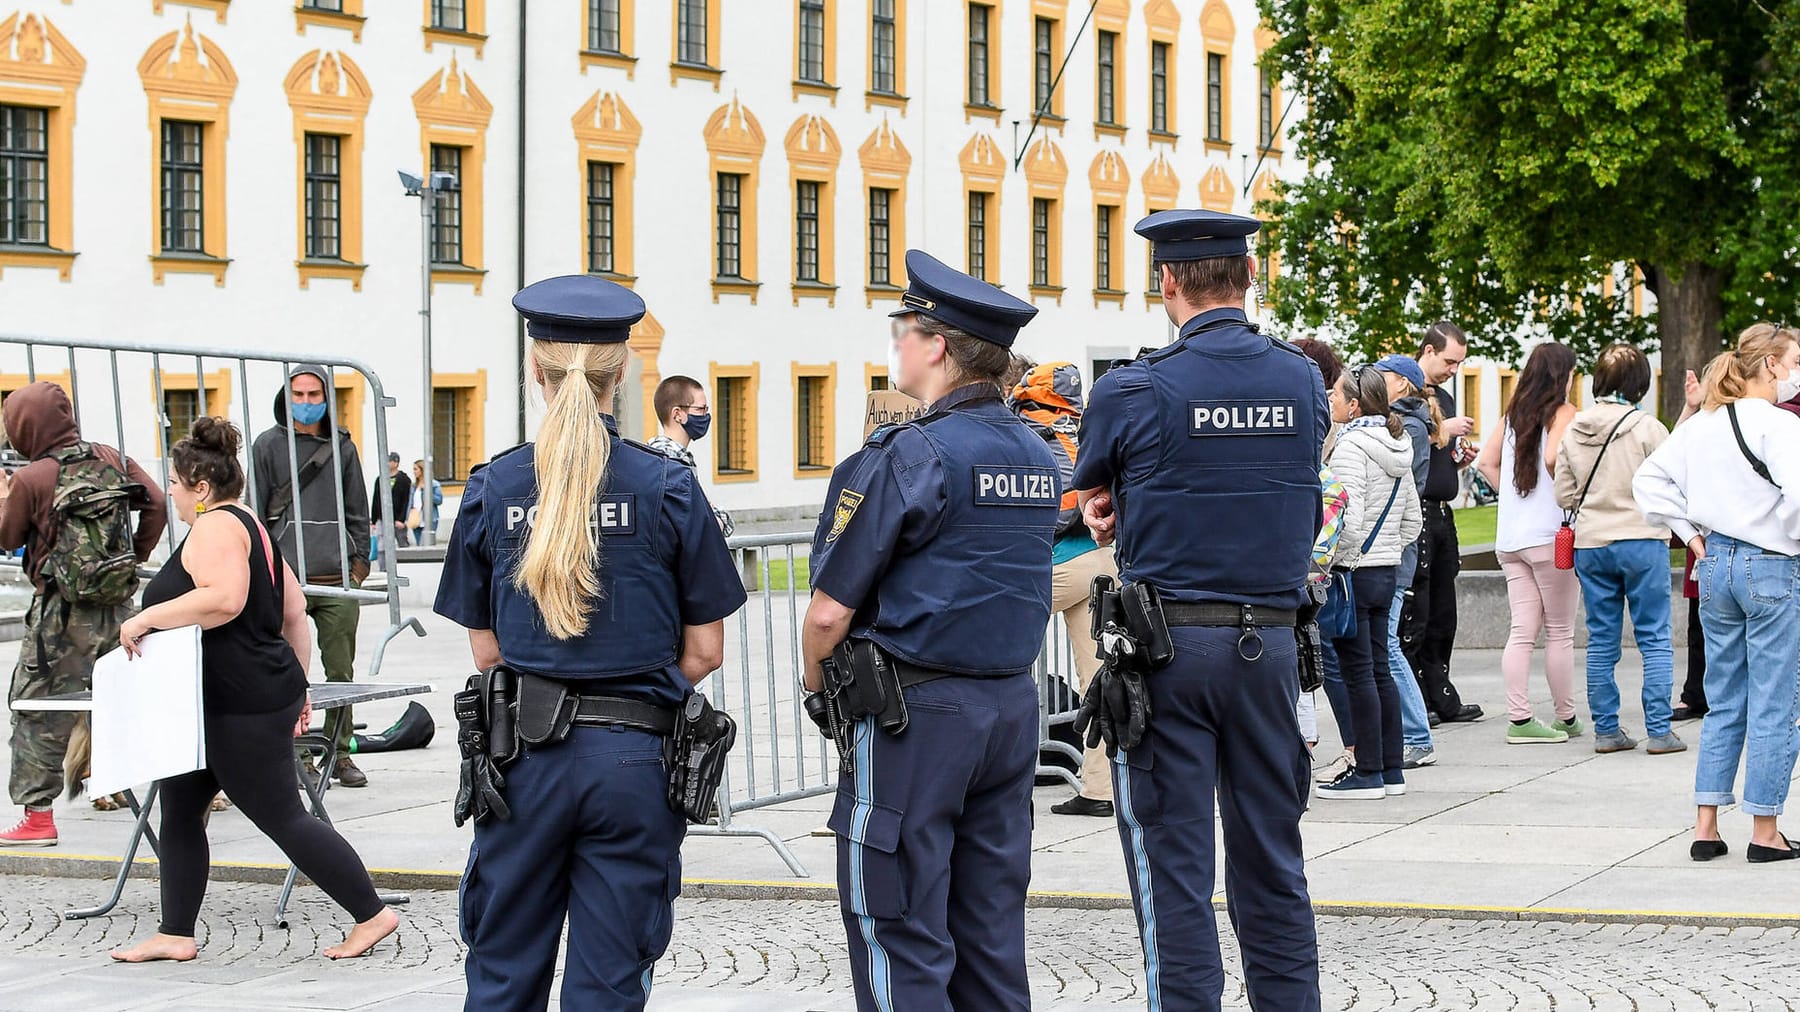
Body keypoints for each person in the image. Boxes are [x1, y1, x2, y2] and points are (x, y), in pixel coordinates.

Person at [434, 275, 745, 1007]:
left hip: (523, 762)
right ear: (624, 374)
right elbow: (705, 652)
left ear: (533, 371)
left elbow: (486, 652)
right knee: (610, 983)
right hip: (635, 763)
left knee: (504, 975)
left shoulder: (493, 487)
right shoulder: (669, 489)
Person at [1076, 210, 1323, 1009]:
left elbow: (1096, 486)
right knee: (1272, 864)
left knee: (1172, 872)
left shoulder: (1135, 386)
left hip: (1167, 655)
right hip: (1272, 649)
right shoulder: (1301, 379)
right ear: (1248, 278)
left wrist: (1109, 508)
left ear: (1167, 281)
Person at [800, 250, 1056, 1011]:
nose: (896, 346)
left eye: (902, 330)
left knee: (897, 926)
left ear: (935, 344)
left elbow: (826, 610)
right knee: (988, 936)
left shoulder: (909, 452)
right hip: (1009, 710)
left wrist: (819, 688)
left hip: (915, 719)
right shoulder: (1033, 453)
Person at [107, 418, 398, 963]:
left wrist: (146, 618)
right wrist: (300, 685)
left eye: (174, 481)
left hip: (237, 699)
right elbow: (294, 616)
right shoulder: (255, 527)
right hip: (225, 696)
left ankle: (371, 913)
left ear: (200, 486)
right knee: (181, 809)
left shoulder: (216, 527)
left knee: (282, 815)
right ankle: (175, 932)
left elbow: (225, 600)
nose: (169, 490)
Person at [1635, 322, 1800, 864]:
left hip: (1716, 566)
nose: (1796, 373)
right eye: (1793, 361)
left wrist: (1690, 534)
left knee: (1725, 700)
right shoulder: (1778, 425)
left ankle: (1706, 826)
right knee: (1775, 702)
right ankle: (1765, 829)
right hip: (1771, 564)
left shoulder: (1702, 424)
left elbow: (1649, 482)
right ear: (1770, 365)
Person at [0, 382, 167, 847]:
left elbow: (8, 537)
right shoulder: (112, 458)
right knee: (129, 697)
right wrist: (132, 556)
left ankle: (37, 818)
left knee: (36, 706)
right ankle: (167, 797)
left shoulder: (33, 478)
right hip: (119, 610)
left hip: (60, 616)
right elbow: (154, 502)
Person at [1553, 344, 1683, 756]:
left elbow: (1565, 495)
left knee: (1602, 640)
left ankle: (1607, 729)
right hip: (1642, 539)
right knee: (1655, 637)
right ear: (1639, 384)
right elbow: (1670, 486)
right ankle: (1660, 730)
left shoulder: (1574, 429)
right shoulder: (1648, 429)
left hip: (1592, 544)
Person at [1007, 360, 1119, 818]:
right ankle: (1100, 790)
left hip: (1046, 567)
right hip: (1100, 559)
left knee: (992, 665)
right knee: (1099, 679)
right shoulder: (1084, 426)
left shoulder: (1020, 428)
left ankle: (998, 782)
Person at [252, 366, 371, 788]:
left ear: (326, 397)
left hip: (337, 576)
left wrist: (359, 567)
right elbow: (257, 512)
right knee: (291, 674)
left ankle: (340, 753)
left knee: (341, 671)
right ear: (286, 397)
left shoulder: (342, 447)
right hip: (288, 580)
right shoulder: (266, 445)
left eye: (313, 393)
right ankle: (300, 755)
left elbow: (358, 509)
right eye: (298, 394)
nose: (305, 401)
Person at [1317, 366, 1423, 800]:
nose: (1331, 401)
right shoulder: (1398, 443)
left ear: (1355, 404)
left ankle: (1367, 771)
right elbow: (1412, 519)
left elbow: (1348, 517)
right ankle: (1390, 768)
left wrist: (1333, 562)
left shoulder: (1351, 446)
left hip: (1354, 572)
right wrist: (1388, 553)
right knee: (1379, 669)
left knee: (1357, 671)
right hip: (1385, 570)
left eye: (1337, 395)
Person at [1478, 342, 1581, 744]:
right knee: (1559, 631)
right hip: (1550, 538)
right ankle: (1566, 716)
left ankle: (1519, 719)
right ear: (1562, 375)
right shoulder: (1565, 413)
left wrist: (1513, 496)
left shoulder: (1512, 415)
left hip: (1511, 539)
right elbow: (1555, 458)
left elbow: (1486, 463)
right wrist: (1562, 494)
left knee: (1522, 630)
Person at [1404, 323, 1485, 724]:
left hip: (1441, 511)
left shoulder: (1446, 397)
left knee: (1442, 611)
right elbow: (1405, 439)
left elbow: (1437, 453)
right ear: (1429, 351)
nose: (1454, 369)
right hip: (1415, 512)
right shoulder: (1404, 391)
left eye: (1459, 363)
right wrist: (1442, 430)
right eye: (1450, 361)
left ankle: (1441, 692)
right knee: (1415, 611)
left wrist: (1457, 455)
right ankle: (1418, 695)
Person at [1374, 354, 1441, 768]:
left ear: (1400, 383)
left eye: (1381, 376)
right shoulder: (1410, 423)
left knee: (1387, 645)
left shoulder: (1407, 426)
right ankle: (1408, 733)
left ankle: (1417, 734)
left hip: (1394, 553)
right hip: (1396, 551)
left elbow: (1403, 489)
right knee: (1385, 643)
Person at [1293, 339, 1353, 772]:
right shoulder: (1321, 422)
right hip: (1314, 573)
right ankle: (1306, 745)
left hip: (1299, 572)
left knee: (1306, 665)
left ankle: (1305, 745)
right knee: (1309, 663)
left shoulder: (1319, 435)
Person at [647, 375, 734, 537]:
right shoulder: (673, 462)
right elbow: (703, 524)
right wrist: (717, 516)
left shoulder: (656, 456)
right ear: (678, 414)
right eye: (700, 409)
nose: (706, 416)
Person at [372, 451, 412, 555]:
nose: (386, 463)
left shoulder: (404, 480)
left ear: (396, 463)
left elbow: (406, 500)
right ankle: (383, 569)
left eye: (389, 461)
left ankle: (404, 564)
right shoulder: (380, 479)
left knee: (402, 543)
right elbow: (376, 499)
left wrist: (401, 519)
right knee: (381, 545)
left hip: (397, 519)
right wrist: (373, 520)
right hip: (382, 518)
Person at [408, 459, 443, 547]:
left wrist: (427, 491)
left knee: (425, 545)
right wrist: (407, 517)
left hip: (429, 518)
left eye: (416, 469)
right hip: (416, 518)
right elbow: (410, 502)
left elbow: (439, 500)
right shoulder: (414, 485)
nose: (414, 472)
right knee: (419, 545)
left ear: (422, 470)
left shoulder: (434, 484)